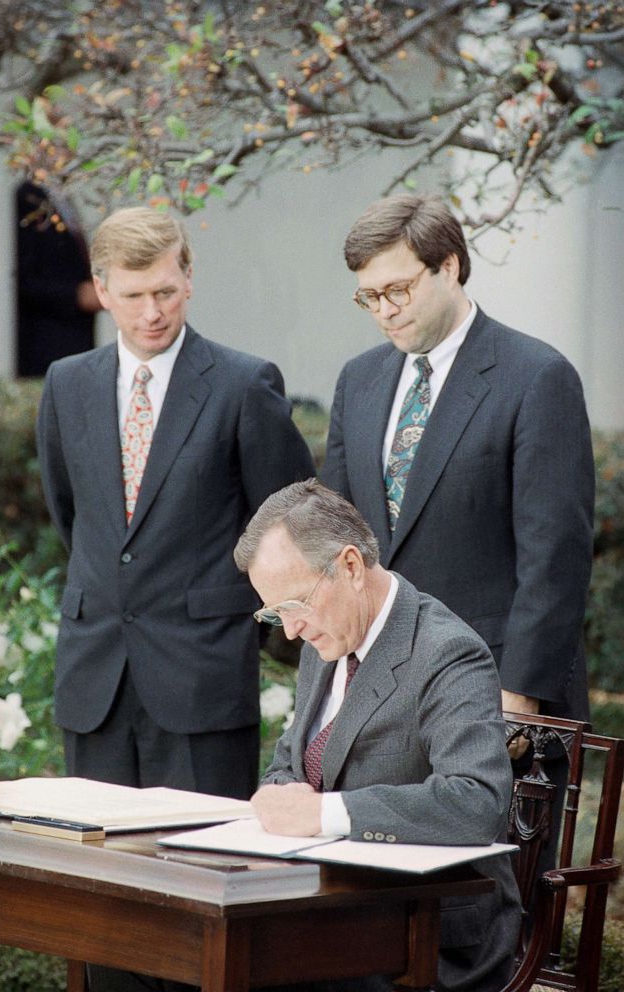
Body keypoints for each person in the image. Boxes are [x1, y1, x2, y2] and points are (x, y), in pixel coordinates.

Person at [36, 205, 315, 991]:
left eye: (166, 290)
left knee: (200, 907)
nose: (152, 311)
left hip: (199, 680)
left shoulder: (240, 382)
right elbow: (76, 516)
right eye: (132, 295)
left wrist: (257, 639)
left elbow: (285, 525)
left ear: (188, 278)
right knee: (104, 911)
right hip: (95, 678)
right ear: (100, 289)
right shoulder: (67, 384)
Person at [321, 194, 594, 865]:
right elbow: (337, 540)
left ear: (448, 267)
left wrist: (516, 705)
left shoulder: (535, 376)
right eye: (368, 296)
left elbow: (552, 556)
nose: (384, 309)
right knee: (380, 920)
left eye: (397, 288)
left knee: (496, 921)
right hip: (379, 696)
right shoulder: (358, 381)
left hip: (493, 699)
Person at [235, 479, 521, 992]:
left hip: (428, 935)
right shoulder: (325, 639)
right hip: (331, 906)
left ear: (349, 566)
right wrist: (280, 796)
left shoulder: (447, 651)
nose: (291, 630)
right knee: (148, 956)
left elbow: (478, 802)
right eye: (275, 613)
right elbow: (290, 765)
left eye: (294, 605)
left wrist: (323, 813)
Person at [16, 180, 101, 376]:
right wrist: (76, 295)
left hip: (77, 337)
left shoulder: (62, 195)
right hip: (46, 342)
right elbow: (23, 276)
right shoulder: (29, 197)